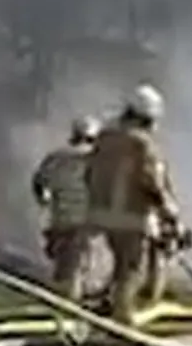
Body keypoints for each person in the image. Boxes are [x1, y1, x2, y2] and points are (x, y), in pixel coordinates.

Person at [85, 83, 182, 324]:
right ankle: (123, 323)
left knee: (120, 267)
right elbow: (151, 182)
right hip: (131, 217)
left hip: (102, 214)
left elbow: (89, 174)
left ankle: (114, 313)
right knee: (131, 270)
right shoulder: (142, 144)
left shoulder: (104, 138)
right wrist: (170, 213)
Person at [31, 116, 100, 302]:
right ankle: (73, 310)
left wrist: (44, 200)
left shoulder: (55, 157)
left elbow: (39, 183)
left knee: (66, 264)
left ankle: (66, 301)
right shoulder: (96, 159)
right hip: (86, 222)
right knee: (78, 268)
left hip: (60, 219)